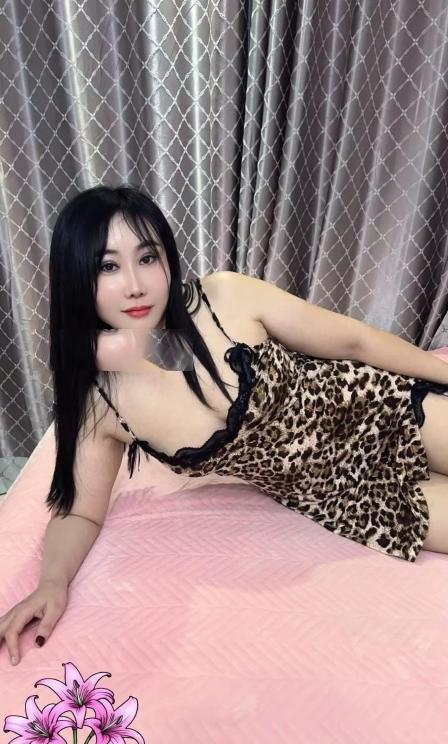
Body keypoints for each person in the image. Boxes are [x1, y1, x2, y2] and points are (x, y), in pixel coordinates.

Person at [1, 184, 448, 667]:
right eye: (108, 267)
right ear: (76, 276)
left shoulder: (225, 295)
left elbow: (353, 342)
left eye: (147, 258)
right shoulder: (105, 401)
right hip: (342, 493)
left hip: (382, 409)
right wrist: (51, 583)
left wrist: (441, 371)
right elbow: (80, 513)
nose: (135, 284)